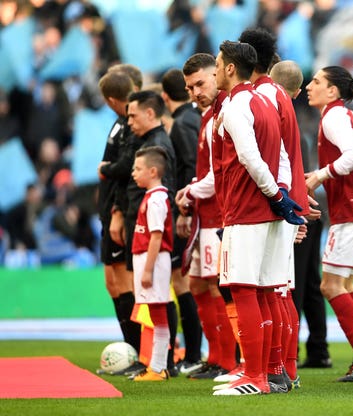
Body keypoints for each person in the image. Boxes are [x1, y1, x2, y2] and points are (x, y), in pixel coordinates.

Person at [212, 40, 304, 396]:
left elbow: (251, 159)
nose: (217, 70)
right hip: (266, 210)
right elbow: (280, 155)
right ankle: (269, 371)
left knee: (243, 290)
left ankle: (254, 376)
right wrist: (280, 193)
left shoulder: (236, 106)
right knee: (267, 291)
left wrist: (275, 194)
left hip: (246, 209)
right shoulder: (264, 101)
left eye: (218, 65)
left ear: (231, 68)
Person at [239, 27, 311, 392]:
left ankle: (273, 371)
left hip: (272, 204)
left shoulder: (262, 97)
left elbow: (275, 156)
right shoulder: (279, 96)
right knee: (279, 290)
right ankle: (285, 370)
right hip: (286, 200)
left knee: (270, 290)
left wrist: (285, 197)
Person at [305, 65, 353, 382]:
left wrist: (320, 175)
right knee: (346, 285)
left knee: (330, 285)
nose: (309, 86)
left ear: (333, 91)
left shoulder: (334, 117)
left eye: (316, 81)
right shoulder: (341, 115)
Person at [176, 53, 238, 380]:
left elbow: (217, 175)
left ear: (216, 75)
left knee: (216, 286)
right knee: (199, 284)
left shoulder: (225, 113)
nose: (195, 92)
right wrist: (191, 199)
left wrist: (188, 193)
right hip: (206, 215)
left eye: (200, 83)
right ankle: (214, 356)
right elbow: (206, 173)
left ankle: (227, 360)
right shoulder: (207, 117)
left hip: (220, 216)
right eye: (189, 88)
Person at [270, 60, 332, 370]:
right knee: (309, 283)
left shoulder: (277, 121)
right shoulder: (300, 124)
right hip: (308, 208)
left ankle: (288, 350)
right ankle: (318, 349)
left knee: (292, 282)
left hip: (295, 210)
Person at [96, 68, 144, 375]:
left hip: (121, 211)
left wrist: (116, 211)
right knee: (113, 283)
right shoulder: (120, 124)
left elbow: (127, 170)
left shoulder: (129, 125)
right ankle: (133, 350)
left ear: (111, 99)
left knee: (127, 283)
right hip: (110, 210)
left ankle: (139, 353)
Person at [160, 67, 203, 375]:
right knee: (198, 282)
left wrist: (184, 210)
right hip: (200, 208)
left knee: (187, 282)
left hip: (193, 210)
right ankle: (200, 352)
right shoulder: (195, 119)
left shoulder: (183, 124)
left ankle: (195, 352)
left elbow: (190, 166)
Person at [130, 146, 174, 381]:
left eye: (138, 169)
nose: (133, 173)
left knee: (158, 315)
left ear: (153, 171)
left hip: (153, 261)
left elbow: (156, 237)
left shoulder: (157, 200)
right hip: (147, 260)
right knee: (156, 314)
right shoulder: (150, 197)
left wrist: (147, 270)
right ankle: (156, 367)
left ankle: (158, 368)